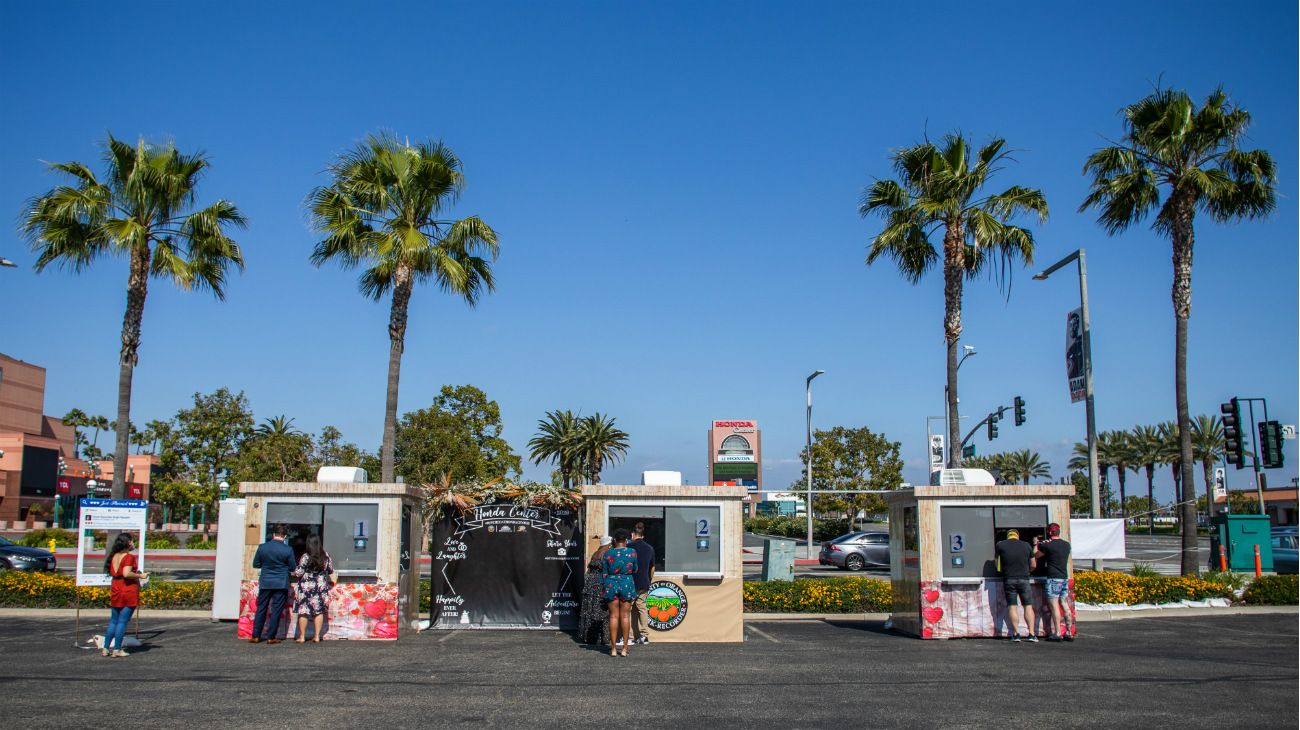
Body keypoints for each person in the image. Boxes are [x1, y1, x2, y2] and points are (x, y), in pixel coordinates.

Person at [250, 523, 296, 644]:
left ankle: (255, 635)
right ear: (285, 536)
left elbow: (256, 564)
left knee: (261, 608)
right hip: (281, 583)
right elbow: (292, 567)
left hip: (265, 582)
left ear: (273, 534)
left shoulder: (262, 547)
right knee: (276, 609)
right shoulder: (288, 549)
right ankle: (271, 637)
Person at [104, 533, 148, 657]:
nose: (133, 543)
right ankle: (117, 649)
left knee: (114, 620)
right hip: (127, 589)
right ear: (127, 542)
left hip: (116, 587)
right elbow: (126, 573)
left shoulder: (114, 556)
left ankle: (106, 647)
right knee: (122, 621)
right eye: (131, 541)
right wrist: (140, 575)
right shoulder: (129, 557)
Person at [601, 529, 638, 657]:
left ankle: (612, 649)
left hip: (611, 583)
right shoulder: (632, 552)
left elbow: (604, 571)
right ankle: (625, 648)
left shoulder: (608, 553)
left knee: (613, 616)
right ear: (626, 540)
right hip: (626, 583)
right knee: (625, 616)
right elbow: (635, 569)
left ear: (614, 540)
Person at [1034, 523, 1074, 642]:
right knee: (1064, 604)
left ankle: (1057, 633)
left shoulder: (1048, 545)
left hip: (1053, 578)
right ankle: (1068, 632)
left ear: (1050, 532)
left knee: (1054, 605)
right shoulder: (1067, 545)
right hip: (1064, 577)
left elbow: (1036, 555)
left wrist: (1037, 543)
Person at [995, 528, 1037, 642]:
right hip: (1024, 579)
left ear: (1008, 536)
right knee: (1028, 606)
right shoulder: (1027, 545)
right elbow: (1033, 564)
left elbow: (997, 566)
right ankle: (1032, 634)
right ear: (1017, 536)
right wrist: (1028, 571)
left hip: (1009, 579)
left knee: (1012, 606)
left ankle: (1016, 633)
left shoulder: (1001, 545)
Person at [291, 534, 334, 643]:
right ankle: (316, 636)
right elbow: (330, 570)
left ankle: (302, 637)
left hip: (306, 587)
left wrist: (293, 572)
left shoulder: (305, 556)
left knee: (303, 611)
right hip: (320, 587)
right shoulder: (326, 556)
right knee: (318, 611)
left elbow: (299, 572)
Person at [577, 535, 612, 646]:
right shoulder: (606, 554)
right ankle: (602, 638)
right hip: (598, 585)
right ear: (608, 544)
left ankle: (589, 637)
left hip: (589, 584)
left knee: (590, 610)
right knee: (601, 611)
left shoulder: (596, 553)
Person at [628, 525, 657, 645]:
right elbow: (652, 567)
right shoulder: (650, 548)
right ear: (643, 536)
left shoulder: (628, 547)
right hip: (644, 583)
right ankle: (644, 636)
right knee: (642, 609)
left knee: (628, 609)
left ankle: (629, 637)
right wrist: (649, 580)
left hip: (630, 582)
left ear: (632, 535)